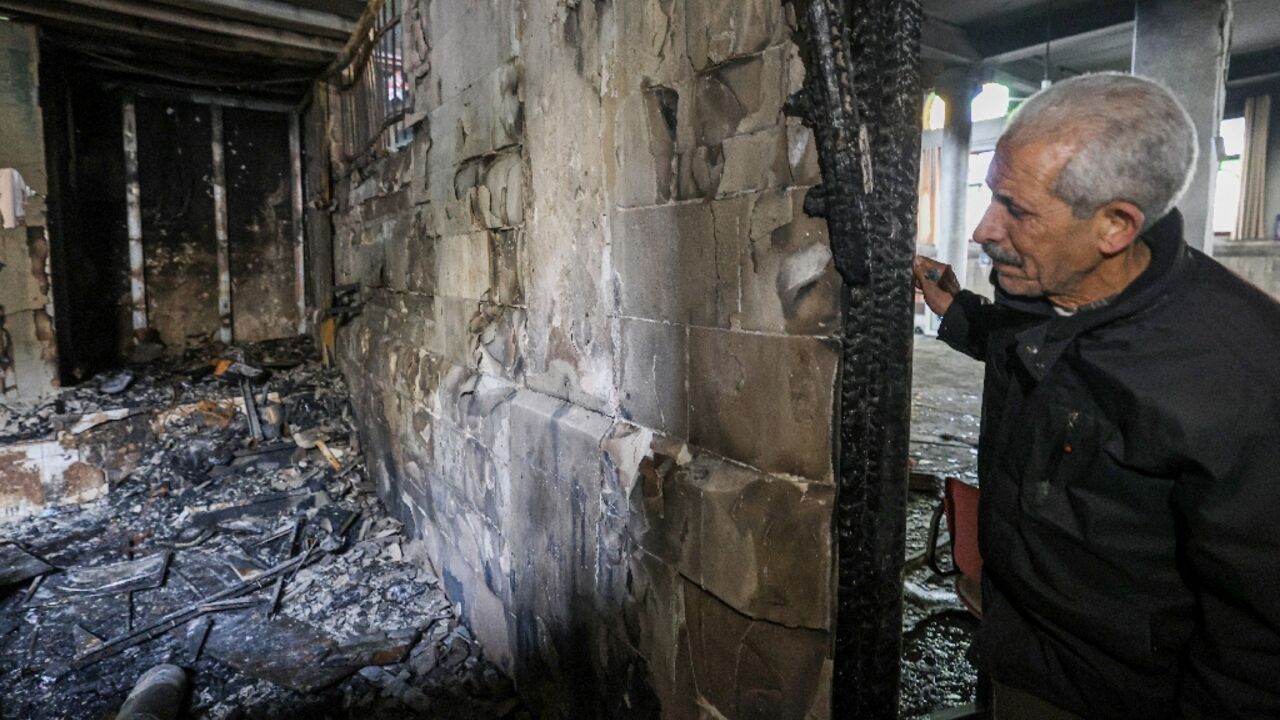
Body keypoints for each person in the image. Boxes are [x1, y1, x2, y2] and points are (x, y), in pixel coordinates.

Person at [913, 73, 1280, 719]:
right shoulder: (1056, 290)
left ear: (1115, 225)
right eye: (992, 197)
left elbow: (1256, 643)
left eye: (1016, 210)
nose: (981, 231)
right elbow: (1047, 354)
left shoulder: (1242, 379)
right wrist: (960, 311)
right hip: (1017, 648)